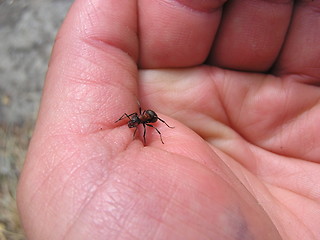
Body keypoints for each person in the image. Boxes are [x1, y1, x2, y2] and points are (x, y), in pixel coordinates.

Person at [17, 0, 320, 239]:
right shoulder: (134, 120)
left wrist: (153, 127)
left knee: (154, 130)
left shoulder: (143, 121)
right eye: (135, 124)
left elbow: (137, 118)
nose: (134, 124)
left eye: (135, 123)